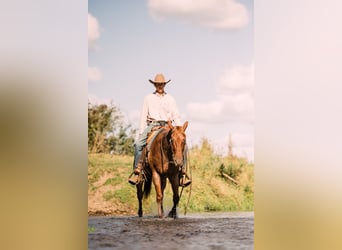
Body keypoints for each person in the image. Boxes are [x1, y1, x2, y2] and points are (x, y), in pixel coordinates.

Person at [128, 73, 191, 187]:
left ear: (164, 85)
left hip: (168, 126)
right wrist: (142, 132)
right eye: (158, 84)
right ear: (154, 85)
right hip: (153, 125)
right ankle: (138, 171)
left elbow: (176, 115)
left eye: (161, 84)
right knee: (138, 145)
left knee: (184, 146)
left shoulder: (170, 99)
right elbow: (143, 115)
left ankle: (182, 173)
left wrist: (180, 129)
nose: (160, 86)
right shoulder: (148, 98)